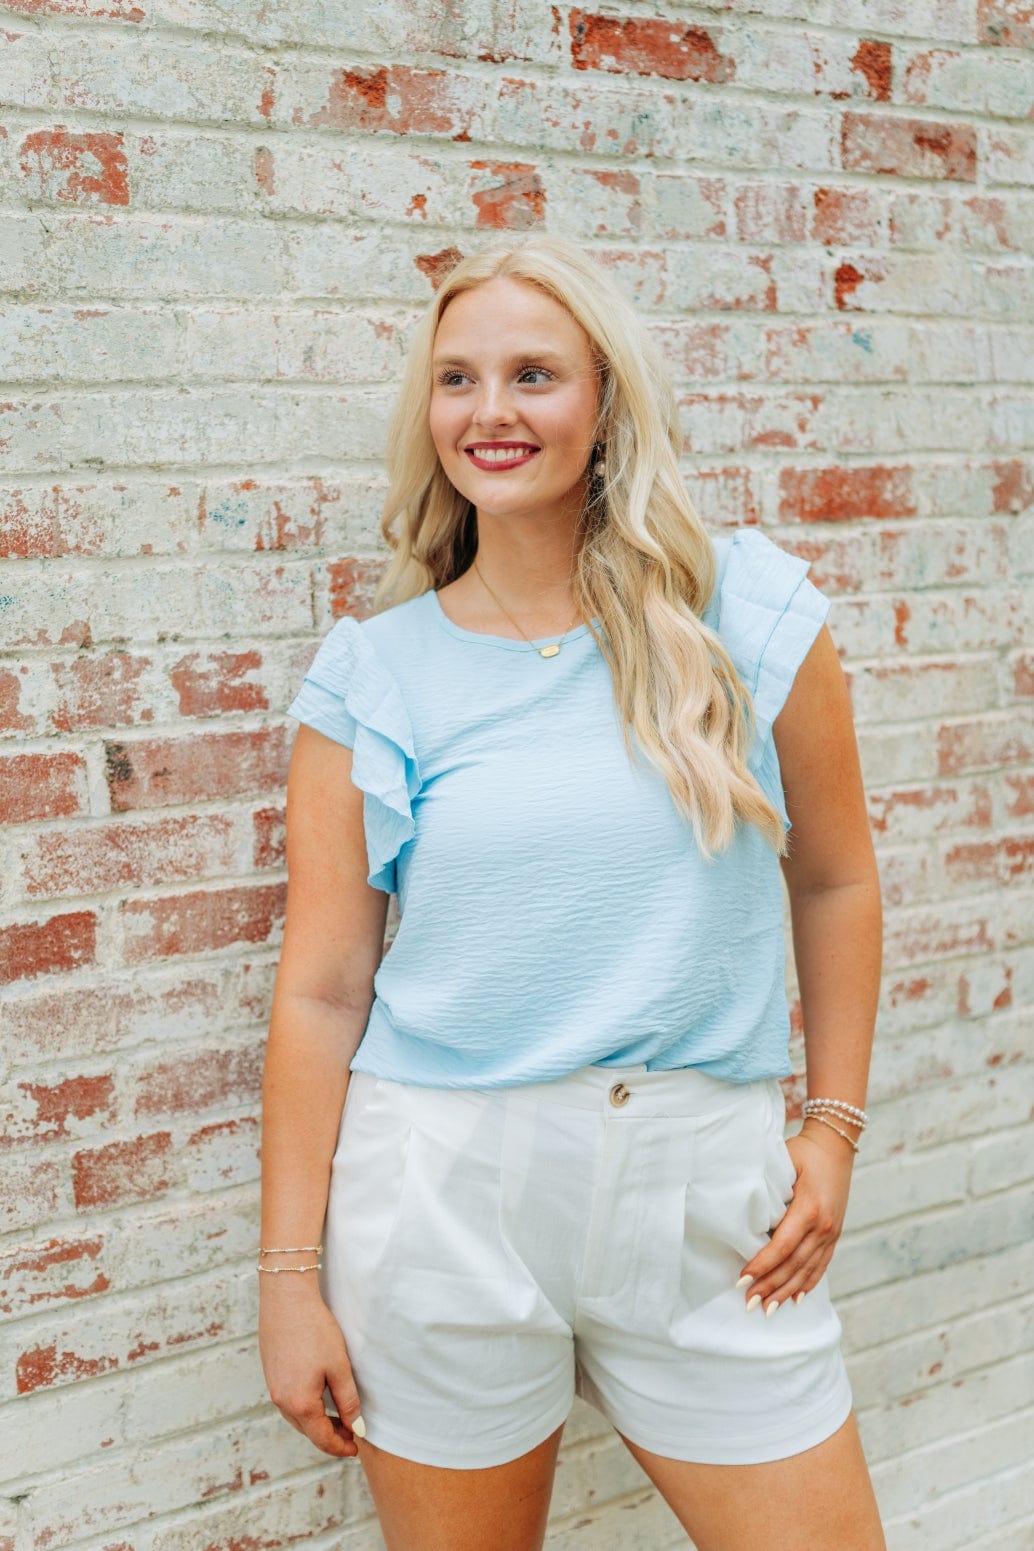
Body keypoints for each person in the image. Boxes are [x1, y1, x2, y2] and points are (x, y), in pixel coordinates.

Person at [258, 235, 886, 1551]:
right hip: (441, 1198)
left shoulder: (747, 617)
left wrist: (830, 1128)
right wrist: (287, 1279)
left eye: (533, 374)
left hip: (709, 1198)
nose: (489, 412)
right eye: (457, 379)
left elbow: (833, 880)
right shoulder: (377, 674)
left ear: (606, 401)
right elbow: (320, 990)